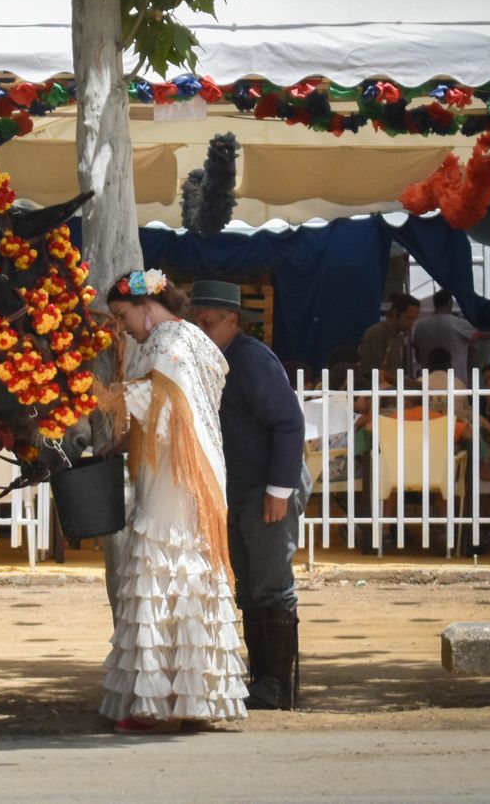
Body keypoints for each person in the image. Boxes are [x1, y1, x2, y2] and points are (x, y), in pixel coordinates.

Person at [98, 269, 245, 733]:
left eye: (123, 315)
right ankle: (189, 699)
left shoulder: (168, 340)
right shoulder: (188, 338)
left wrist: (104, 396)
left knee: (161, 566)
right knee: (187, 572)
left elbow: (165, 399)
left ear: (145, 304)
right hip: (189, 469)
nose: (124, 327)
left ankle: (154, 704)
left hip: (176, 475)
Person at [188, 279, 309, 711]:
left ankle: (278, 684)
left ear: (232, 321)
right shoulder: (216, 359)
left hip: (265, 486)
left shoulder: (251, 359)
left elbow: (289, 424)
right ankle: (263, 680)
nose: (201, 329)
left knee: (272, 583)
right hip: (239, 487)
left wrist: (279, 489)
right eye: (196, 321)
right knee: (250, 588)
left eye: (208, 322)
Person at [413, 289, 490, 385]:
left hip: (428, 379)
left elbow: (418, 356)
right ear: (449, 303)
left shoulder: (421, 326)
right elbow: (487, 334)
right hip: (456, 379)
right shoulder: (458, 323)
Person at [359, 293, 420, 378]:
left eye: (414, 319)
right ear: (395, 313)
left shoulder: (399, 338)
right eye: (409, 318)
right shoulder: (375, 334)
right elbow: (371, 373)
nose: (412, 324)